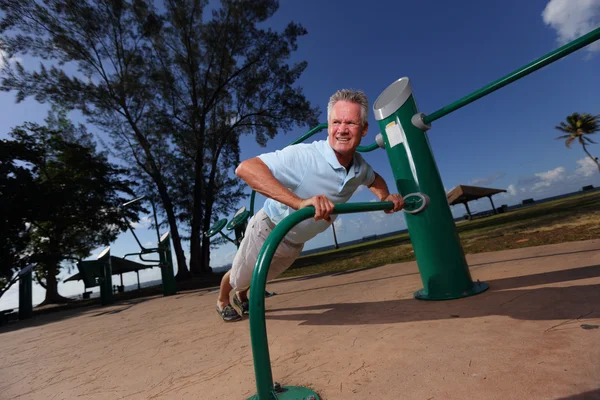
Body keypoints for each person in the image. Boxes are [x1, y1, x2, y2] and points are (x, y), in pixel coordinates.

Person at [216, 89, 404, 322]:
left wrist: (384, 197)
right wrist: (300, 202)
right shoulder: (305, 156)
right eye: (336, 122)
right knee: (239, 275)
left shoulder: (359, 167)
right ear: (328, 126)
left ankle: (242, 297)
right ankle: (223, 300)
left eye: (351, 123)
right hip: (269, 229)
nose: (342, 129)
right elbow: (246, 168)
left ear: (364, 129)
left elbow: (374, 179)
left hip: (296, 241)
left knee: (261, 277)